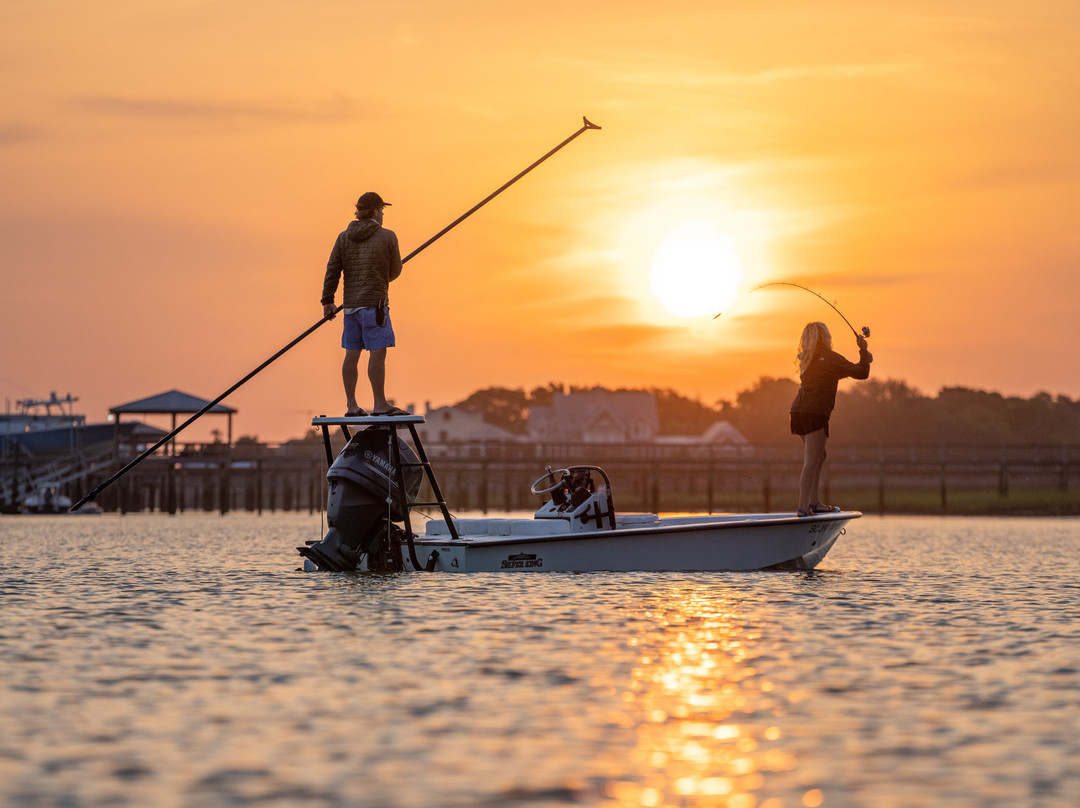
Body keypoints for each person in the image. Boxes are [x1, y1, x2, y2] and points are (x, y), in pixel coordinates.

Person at [320, 191, 407, 417]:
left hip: (350, 307)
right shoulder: (388, 236)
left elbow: (332, 269)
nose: (383, 216)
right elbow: (395, 271)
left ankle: (352, 406)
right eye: (382, 211)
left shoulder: (343, 237)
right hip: (375, 306)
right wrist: (380, 275)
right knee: (377, 353)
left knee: (352, 354)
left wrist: (327, 301)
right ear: (376, 211)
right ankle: (380, 404)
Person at [789, 321, 872, 517]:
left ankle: (814, 502)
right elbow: (862, 373)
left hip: (797, 412)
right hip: (815, 414)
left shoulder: (806, 360)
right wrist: (863, 351)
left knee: (820, 455)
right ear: (825, 337)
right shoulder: (832, 359)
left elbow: (831, 374)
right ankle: (803, 507)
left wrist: (864, 357)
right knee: (811, 460)